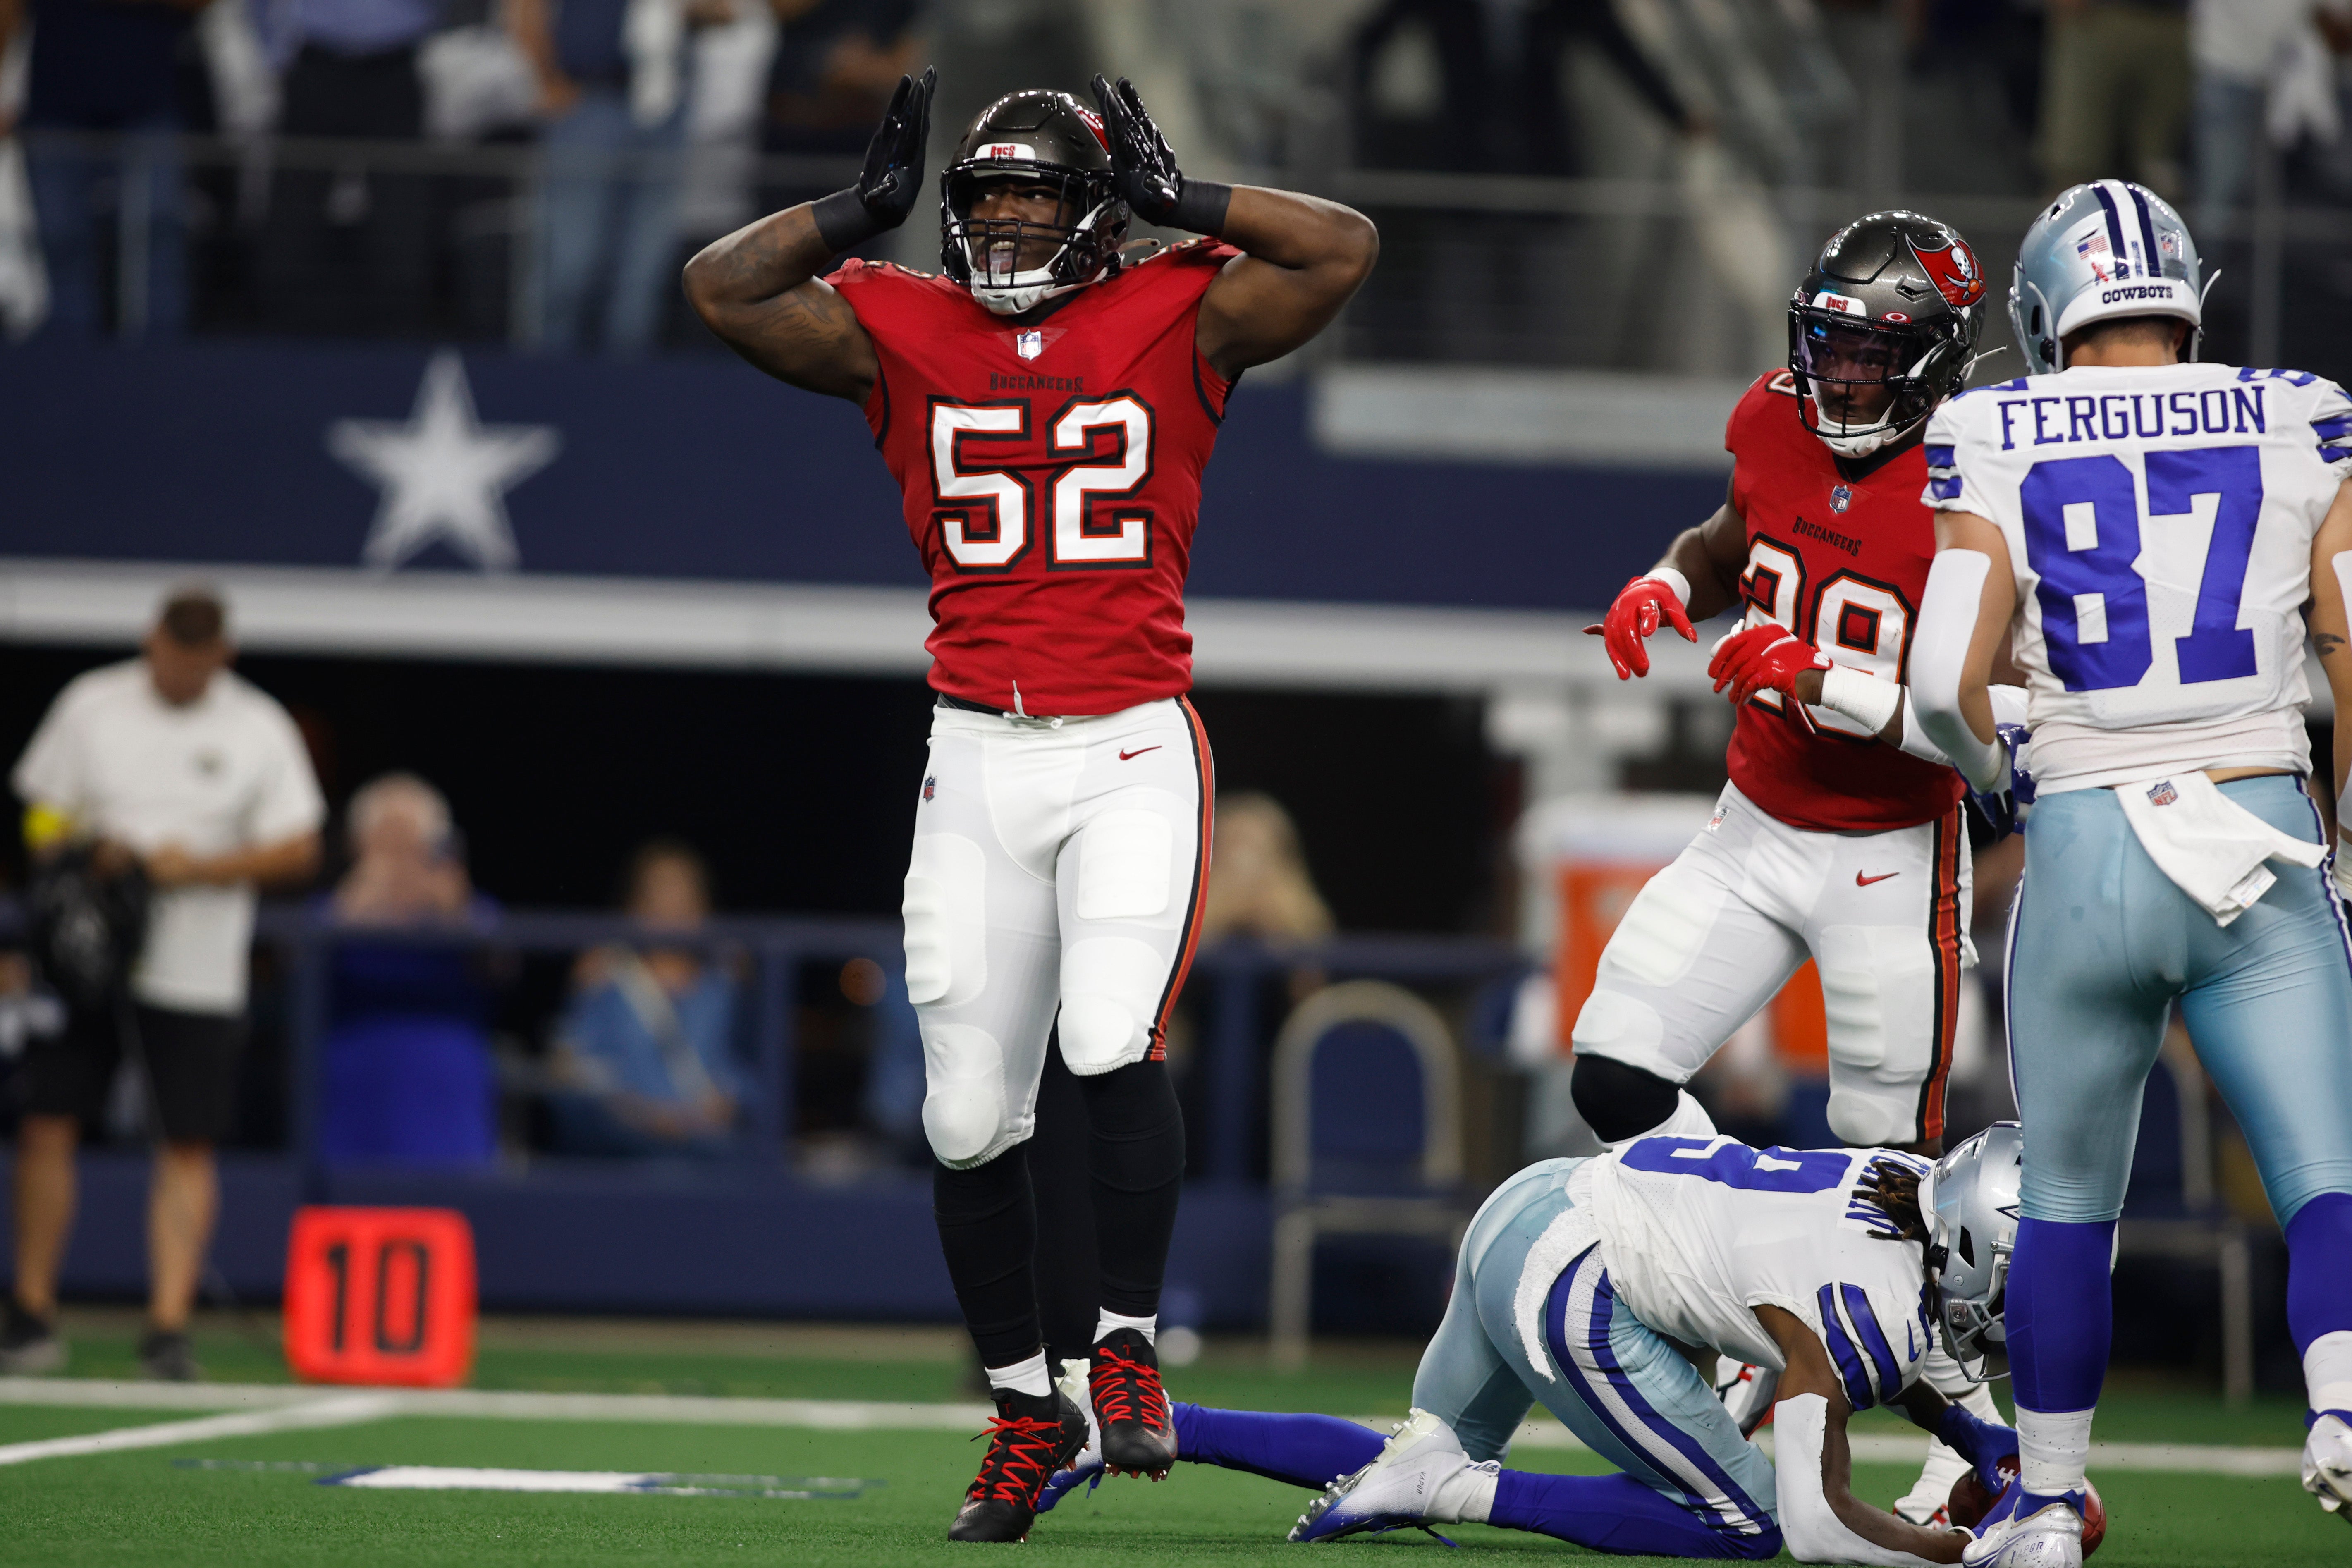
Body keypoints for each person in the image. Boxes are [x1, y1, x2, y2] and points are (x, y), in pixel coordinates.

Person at [683, 70, 1376, 1541]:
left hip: (1127, 737)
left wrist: (1181, 196)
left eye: (1035, 198)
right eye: (981, 200)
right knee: (961, 1113)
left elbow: (1341, 246)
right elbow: (723, 289)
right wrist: (851, 209)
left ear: (1093, 211)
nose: (1003, 225)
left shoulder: (1180, 299)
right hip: (977, 748)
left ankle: (1123, 1340)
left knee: (1110, 1035)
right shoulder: (898, 319)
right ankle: (1020, 1404)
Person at [1910, 178, 2352, 1563]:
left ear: (2047, 309)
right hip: (2258, 824)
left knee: (2064, 1205)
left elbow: (1937, 682)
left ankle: (2044, 1502)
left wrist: (1999, 774)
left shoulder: (1987, 424)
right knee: (2321, 1176)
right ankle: (2339, 1411)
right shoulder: (2299, 408)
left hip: (2087, 836)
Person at [1580, 210, 2026, 1524]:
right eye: (1828, 345)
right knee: (1614, 1070)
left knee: (1887, 1184)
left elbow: (1994, 714)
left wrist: (1817, 674)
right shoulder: (1774, 419)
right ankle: (1743, 1287)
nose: (1839, 377)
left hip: (1892, 850)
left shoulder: (1976, 481)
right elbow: (1731, 542)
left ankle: (1974, 1440)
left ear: (1939, 360)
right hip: (1755, 822)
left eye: (1873, 355)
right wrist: (1667, 583)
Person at [1045, 1128, 2033, 1565]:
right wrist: (1951, 1551)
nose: (2015, 1302)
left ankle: (1144, 1425)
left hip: (1538, 1200)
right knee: (1743, 1521)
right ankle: (1455, 1491)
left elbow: (1860, 1329)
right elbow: (1817, 1523)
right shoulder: (1867, 1304)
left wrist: (1958, 1424)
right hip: (1582, 1277)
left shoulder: (1907, 1180)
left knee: (1419, 1449)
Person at [3, 589, 324, 1379]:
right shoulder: (93, 704)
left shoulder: (257, 726)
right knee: (49, 1122)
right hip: (91, 957)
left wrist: (201, 868)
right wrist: (89, 849)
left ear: (224, 655)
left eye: (198, 660)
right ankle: (32, 1308)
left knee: (186, 1138)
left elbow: (300, 849)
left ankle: (168, 1323)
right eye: (170, 655)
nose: (182, 672)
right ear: (150, 642)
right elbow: (39, 814)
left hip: (195, 963)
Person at [507, 0, 731, 355]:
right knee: (570, 263)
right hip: (590, 99)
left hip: (665, 105)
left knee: (642, 278)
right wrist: (544, 77)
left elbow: (725, 12)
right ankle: (542, 384)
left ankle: (623, 393)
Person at [318, 772, 500, 1167]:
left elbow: (500, 965)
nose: (400, 854)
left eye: (412, 839)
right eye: (387, 839)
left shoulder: (469, 911)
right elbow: (294, 971)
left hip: (446, 1119)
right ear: (358, 846)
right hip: (352, 1113)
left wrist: (454, 912)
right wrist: (352, 910)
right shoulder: (332, 912)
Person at [0, 0, 206, 337]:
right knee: (60, 243)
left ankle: (164, 371)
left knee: (159, 238)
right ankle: (70, 370)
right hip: (56, 100)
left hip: (149, 98)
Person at [545, 838, 743, 1157]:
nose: (671, 912)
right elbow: (570, 1079)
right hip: (625, 1163)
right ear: (634, 908)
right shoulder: (603, 983)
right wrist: (635, 1116)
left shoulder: (724, 988)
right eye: (658, 898)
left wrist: (729, 1102)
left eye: (683, 899)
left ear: (703, 908)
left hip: (710, 1162)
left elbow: (752, 1074)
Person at [258, 0, 441, 335]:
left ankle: (400, 343)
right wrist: (275, 54)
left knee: (402, 216)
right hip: (316, 61)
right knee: (293, 213)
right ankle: (276, 337)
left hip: (395, 65)